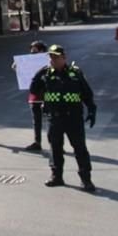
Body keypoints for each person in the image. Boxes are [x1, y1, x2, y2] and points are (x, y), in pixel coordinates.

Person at [29, 44, 97, 192]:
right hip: (54, 118)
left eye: (56, 57)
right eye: (51, 57)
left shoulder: (75, 73)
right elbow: (33, 90)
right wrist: (38, 74)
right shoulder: (45, 74)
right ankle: (56, 176)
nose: (53, 60)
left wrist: (92, 110)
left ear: (64, 58)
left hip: (73, 118)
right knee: (55, 149)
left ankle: (86, 180)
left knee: (80, 149)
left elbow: (87, 93)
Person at [15, 40, 47, 151]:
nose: (32, 52)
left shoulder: (49, 62)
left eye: (35, 49)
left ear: (42, 51)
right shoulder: (28, 61)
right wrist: (18, 67)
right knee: (36, 121)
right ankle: (37, 142)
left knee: (52, 122)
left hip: (48, 97)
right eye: (31, 49)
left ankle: (56, 144)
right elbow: (21, 72)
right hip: (34, 97)